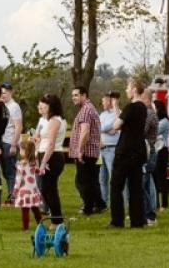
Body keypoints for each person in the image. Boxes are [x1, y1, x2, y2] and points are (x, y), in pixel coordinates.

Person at [109, 79, 149, 229]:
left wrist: (117, 114)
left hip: (124, 151)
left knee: (116, 187)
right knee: (135, 188)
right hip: (138, 151)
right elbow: (125, 120)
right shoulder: (143, 108)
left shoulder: (131, 107)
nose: (126, 90)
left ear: (134, 89)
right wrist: (115, 107)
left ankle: (117, 221)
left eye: (127, 88)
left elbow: (116, 125)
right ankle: (137, 221)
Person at [69, 87, 104, 216]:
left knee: (82, 181)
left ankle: (88, 207)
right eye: (73, 95)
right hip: (90, 152)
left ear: (84, 95)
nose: (73, 97)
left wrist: (80, 150)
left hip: (86, 152)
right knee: (91, 180)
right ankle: (100, 204)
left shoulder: (86, 110)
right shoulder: (89, 108)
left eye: (76, 95)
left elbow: (85, 131)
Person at [35, 94, 68, 226]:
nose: (41, 106)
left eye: (45, 104)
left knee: (50, 189)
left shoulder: (55, 120)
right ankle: (56, 217)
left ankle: (57, 220)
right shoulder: (45, 120)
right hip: (44, 154)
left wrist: (43, 163)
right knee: (45, 188)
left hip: (52, 156)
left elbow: (51, 143)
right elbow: (39, 137)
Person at [10, 135, 44, 230]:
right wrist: (43, 167)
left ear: (25, 152)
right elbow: (40, 172)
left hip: (24, 191)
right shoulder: (34, 163)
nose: (19, 152)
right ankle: (41, 225)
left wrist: (14, 192)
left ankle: (25, 228)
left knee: (25, 210)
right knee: (35, 209)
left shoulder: (21, 165)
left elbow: (18, 180)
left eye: (20, 150)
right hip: (33, 190)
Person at [0, 85, 24, 193]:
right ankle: (12, 193)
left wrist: (14, 144)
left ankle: (13, 195)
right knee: (5, 171)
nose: (2, 95)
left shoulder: (14, 107)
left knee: (10, 171)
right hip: (3, 141)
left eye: (5, 93)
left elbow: (18, 126)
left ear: (10, 92)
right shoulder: (3, 106)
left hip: (10, 141)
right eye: (1, 93)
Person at [97, 91, 120, 199]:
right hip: (101, 150)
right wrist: (106, 129)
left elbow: (107, 126)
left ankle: (115, 201)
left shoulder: (117, 113)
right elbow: (98, 128)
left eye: (104, 101)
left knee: (114, 177)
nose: (102, 103)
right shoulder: (102, 114)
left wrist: (105, 128)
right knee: (102, 178)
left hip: (112, 150)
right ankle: (104, 202)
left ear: (109, 101)